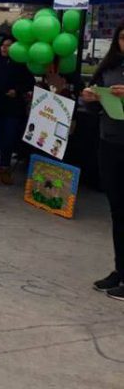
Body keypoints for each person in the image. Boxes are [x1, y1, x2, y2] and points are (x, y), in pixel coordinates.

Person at [81, 22, 124, 301]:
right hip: (110, 142)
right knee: (117, 212)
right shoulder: (109, 68)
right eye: (122, 37)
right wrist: (90, 97)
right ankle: (120, 271)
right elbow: (91, 99)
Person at [0, 34, 35, 185]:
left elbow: (29, 83)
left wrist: (17, 91)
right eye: (3, 45)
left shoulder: (20, 65)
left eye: (9, 45)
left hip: (12, 107)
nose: (5, 48)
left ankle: (5, 168)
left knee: (8, 139)